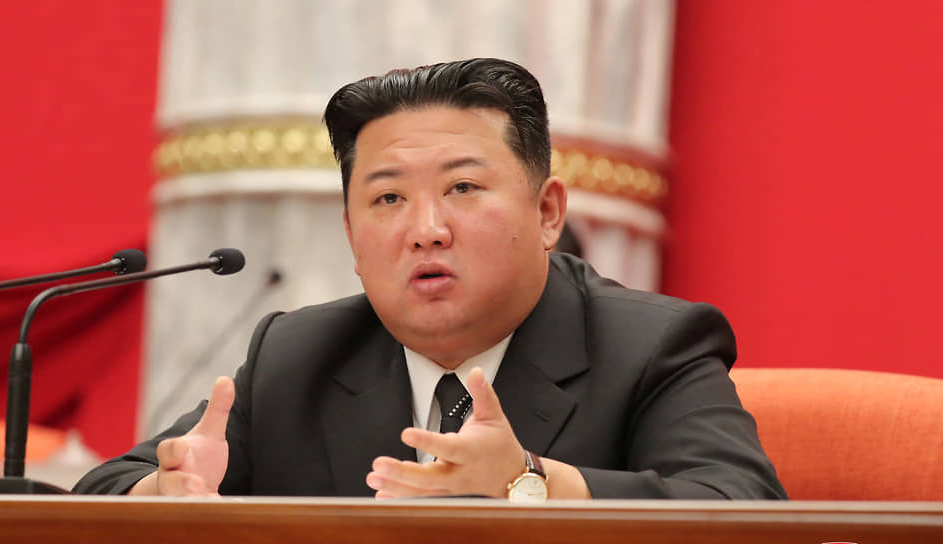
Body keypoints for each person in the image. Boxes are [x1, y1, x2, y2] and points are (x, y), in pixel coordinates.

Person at [74, 58, 786, 500]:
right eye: (388, 198)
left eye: (463, 188)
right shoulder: (295, 356)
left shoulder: (650, 346)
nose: (426, 229)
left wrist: (528, 481)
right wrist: (158, 491)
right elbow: (102, 489)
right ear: (352, 237)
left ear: (547, 212)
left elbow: (745, 511)